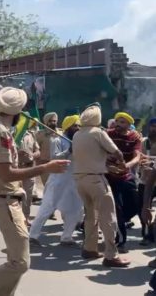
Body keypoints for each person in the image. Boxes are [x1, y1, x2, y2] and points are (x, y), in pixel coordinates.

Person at [0, 87, 70, 296]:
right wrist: (45, 167)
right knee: (21, 263)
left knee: (14, 262)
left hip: (5, 198)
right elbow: (6, 174)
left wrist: (15, 155)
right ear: (17, 112)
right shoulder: (1, 132)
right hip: (6, 200)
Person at [72, 103, 130, 267]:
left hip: (79, 179)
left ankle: (89, 248)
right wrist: (121, 162)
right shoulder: (98, 132)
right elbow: (116, 151)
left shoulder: (77, 134)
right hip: (96, 180)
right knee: (108, 217)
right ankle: (111, 255)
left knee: (91, 215)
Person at [29, 115, 84, 247]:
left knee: (75, 209)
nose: (77, 128)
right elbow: (54, 157)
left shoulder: (79, 140)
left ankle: (67, 237)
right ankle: (32, 235)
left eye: (78, 126)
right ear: (68, 127)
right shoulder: (57, 140)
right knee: (47, 208)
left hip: (73, 180)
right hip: (58, 179)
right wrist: (68, 150)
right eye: (75, 126)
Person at [105, 112, 142, 253]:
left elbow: (137, 157)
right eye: (117, 121)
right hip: (110, 177)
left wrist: (126, 166)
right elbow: (99, 150)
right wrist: (108, 165)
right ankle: (120, 241)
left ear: (128, 124)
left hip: (126, 176)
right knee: (117, 208)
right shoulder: (108, 134)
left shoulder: (134, 137)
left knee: (136, 204)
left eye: (122, 122)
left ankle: (119, 222)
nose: (118, 124)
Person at [17, 118, 41, 224]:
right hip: (15, 170)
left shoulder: (30, 135)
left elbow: (38, 151)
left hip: (29, 168)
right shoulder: (12, 134)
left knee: (28, 195)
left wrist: (32, 155)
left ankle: (25, 218)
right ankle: (15, 217)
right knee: (15, 195)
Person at [140, 118, 156, 244]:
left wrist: (151, 161)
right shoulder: (144, 142)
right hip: (146, 180)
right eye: (153, 126)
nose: (154, 129)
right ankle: (146, 235)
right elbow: (139, 157)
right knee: (145, 208)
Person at [36, 112, 59, 186]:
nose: (53, 123)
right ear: (46, 122)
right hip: (45, 164)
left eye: (54, 121)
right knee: (47, 185)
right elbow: (35, 148)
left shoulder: (61, 134)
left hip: (58, 164)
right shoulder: (40, 135)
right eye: (50, 121)